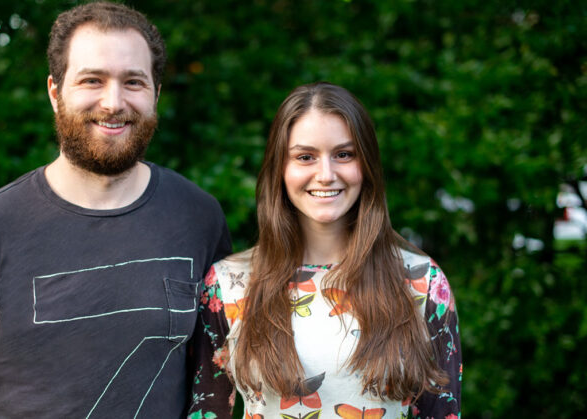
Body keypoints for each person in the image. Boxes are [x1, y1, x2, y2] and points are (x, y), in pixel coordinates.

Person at [0, 2, 231, 417]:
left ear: (156, 94)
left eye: (133, 82)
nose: (113, 102)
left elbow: (211, 375)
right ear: (55, 92)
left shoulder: (199, 218)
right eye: (92, 79)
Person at [188, 82, 461, 419]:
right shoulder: (228, 284)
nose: (326, 174)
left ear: (367, 165)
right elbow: (207, 412)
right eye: (305, 157)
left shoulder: (422, 283)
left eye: (344, 155)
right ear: (280, 169)